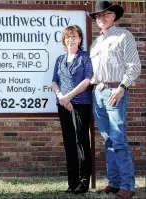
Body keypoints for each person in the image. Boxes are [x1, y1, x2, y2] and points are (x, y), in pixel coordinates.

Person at [88, 1, 141, 198]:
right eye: (98, 16)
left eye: (106, 14)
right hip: (98, 93)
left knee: (118, 139)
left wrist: (122, 88)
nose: (101, 18)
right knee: (108, 140)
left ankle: (127, 186)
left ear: (114, 16)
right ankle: (114, 182)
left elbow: (134, 66)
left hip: (114, 91)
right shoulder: (96, 43)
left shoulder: (123, 36)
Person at [52, 25, 93, 194]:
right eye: (68, 37)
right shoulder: (60, 60)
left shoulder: (84, 57)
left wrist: (69, 96)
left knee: (82, 142)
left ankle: (83, 183)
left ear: (80, 39)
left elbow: (87, 79)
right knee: (69, 143)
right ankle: (72, 182)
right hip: (63, 105)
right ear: (64, 40)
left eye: (74, 36)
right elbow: (54, 82)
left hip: (81, 104)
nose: (71, 39)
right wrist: (62, 96)